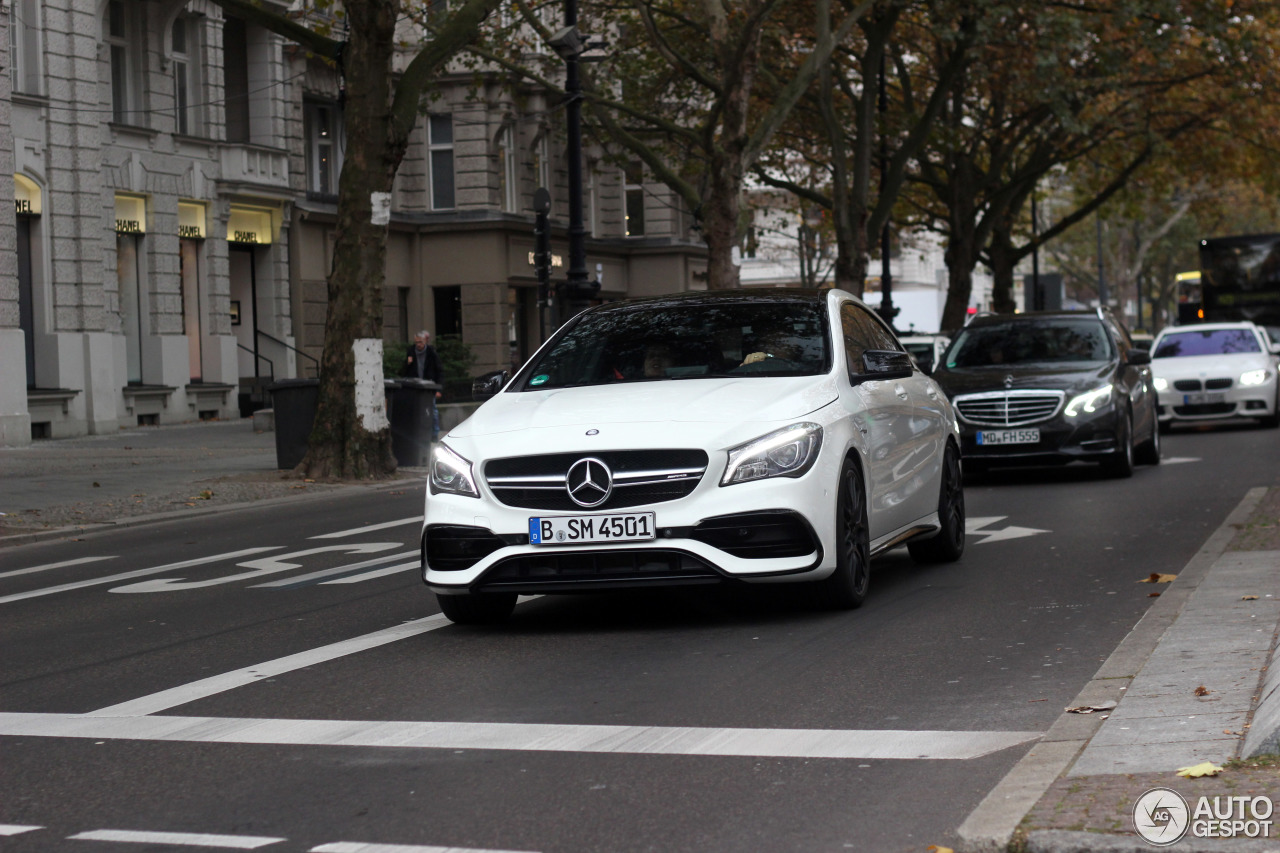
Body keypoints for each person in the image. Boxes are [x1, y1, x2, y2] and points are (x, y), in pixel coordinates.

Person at [403, 330, 444, 442]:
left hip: (429, 386)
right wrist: (408, 363)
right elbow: (404, 371)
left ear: (426, 341)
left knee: (432, 410)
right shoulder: (411, 352)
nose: (418, 345)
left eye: (420, 342)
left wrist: (438, 389)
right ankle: (416, 433)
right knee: (414, 410)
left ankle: (434, 434)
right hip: (416, 386)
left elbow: (439, 371)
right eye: (416, 342)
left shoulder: (431, 353)